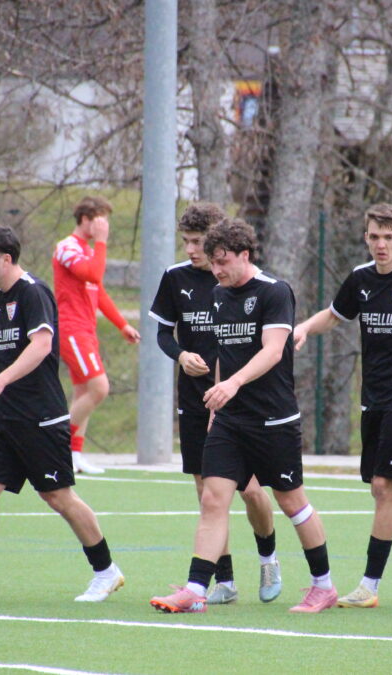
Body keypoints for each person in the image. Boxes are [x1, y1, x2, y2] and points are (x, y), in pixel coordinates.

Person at [0, 226, 124, 604]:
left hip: (40, 417)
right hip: (2, 420)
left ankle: (106, 571)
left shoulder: (32, 292)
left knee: (58, 498)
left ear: (6, 259)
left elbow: (42, 345)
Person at [150, 218, 337, 614]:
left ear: (244, 255)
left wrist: (233, 384)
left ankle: (324, 586)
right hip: (230, 420)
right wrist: (219, 402)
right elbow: (225, 354)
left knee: (291, 501)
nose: (216, 270)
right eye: (213, 262)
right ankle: (195, 589)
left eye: (223, 261)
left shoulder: (274, 291)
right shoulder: (219, 294)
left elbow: (273, 350)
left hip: (273, 420)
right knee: (213, 499)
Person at [292, 203, 392, 608]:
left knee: (383, 489)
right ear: (366, 238)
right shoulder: (360, 279)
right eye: (375, 236)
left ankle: (369, 587)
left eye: (389, 237)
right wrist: (303, 327)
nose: (381, 244)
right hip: (372, 398)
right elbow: (334, 316)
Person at [148, 202, 282, 604]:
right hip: (196, 398)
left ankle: (268, 558)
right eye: (187, 241)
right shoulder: (175, 278)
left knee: (252, 490)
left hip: (242, 401)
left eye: (198, 242)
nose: (192, 250)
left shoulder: (243, 281)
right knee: (207, 489)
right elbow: (163, 334)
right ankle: (224, 580)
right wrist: (181, 355)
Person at [52, 196, 141, 474]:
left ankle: (73, 455)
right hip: (72, 329)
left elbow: (98, 291)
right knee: (99, 388)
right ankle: (55, 444)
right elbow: (92, 274)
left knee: (83, 392)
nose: (105, 227)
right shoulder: (67, 247)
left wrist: (122, 324)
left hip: (87, 330)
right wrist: (102, 242)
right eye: (100, 221)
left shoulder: (88, 251)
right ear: (85, 219)